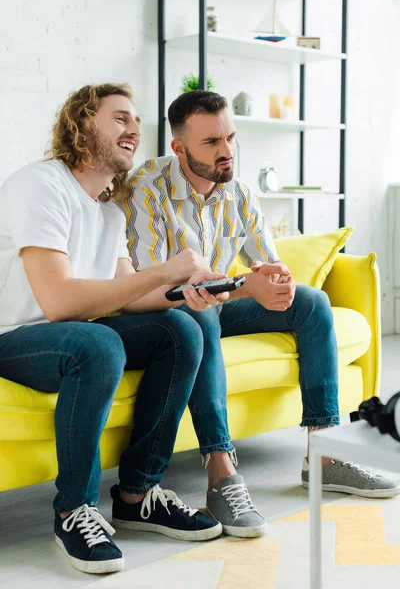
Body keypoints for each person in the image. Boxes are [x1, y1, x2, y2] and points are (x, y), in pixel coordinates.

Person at [122, 90, 400, 526]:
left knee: (311, 302)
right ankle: (221, 470)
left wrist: (276, 283)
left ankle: (324, 456)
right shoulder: (147, 190)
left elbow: (267, 267)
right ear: (179, 148)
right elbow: (148, 285)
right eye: (211, 142)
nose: (227, 151)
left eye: (231, 136)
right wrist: (243, 287)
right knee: (199, 313)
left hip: (217, 303)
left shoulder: (240, 194)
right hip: (169, 314)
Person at [0, 84, 233, 575]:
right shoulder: (42, 184)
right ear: (83, 125)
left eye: (137, 122)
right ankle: (74, 509)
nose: (134, 130)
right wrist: (166, 269)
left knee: (181, 330)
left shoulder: (109, 210)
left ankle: (137, 494)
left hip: (75, 337)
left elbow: (130, 292)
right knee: (99, 342)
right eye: (120, 119)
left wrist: (186, 290)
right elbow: (59, 303)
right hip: (13, 337)